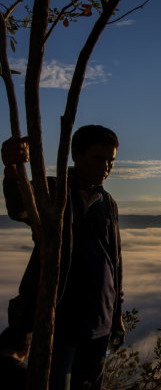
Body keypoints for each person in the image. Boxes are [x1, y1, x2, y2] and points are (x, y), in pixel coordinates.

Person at [2, 125, 125, 390]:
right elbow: (19, 207)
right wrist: (11, 168)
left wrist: (117, 315)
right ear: (76, 155)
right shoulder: (53, 190)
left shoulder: (108, 203)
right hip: (60, 324)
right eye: (99, 158)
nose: (106, 167)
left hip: (100, 325)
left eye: (111, 161)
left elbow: (114, 262)